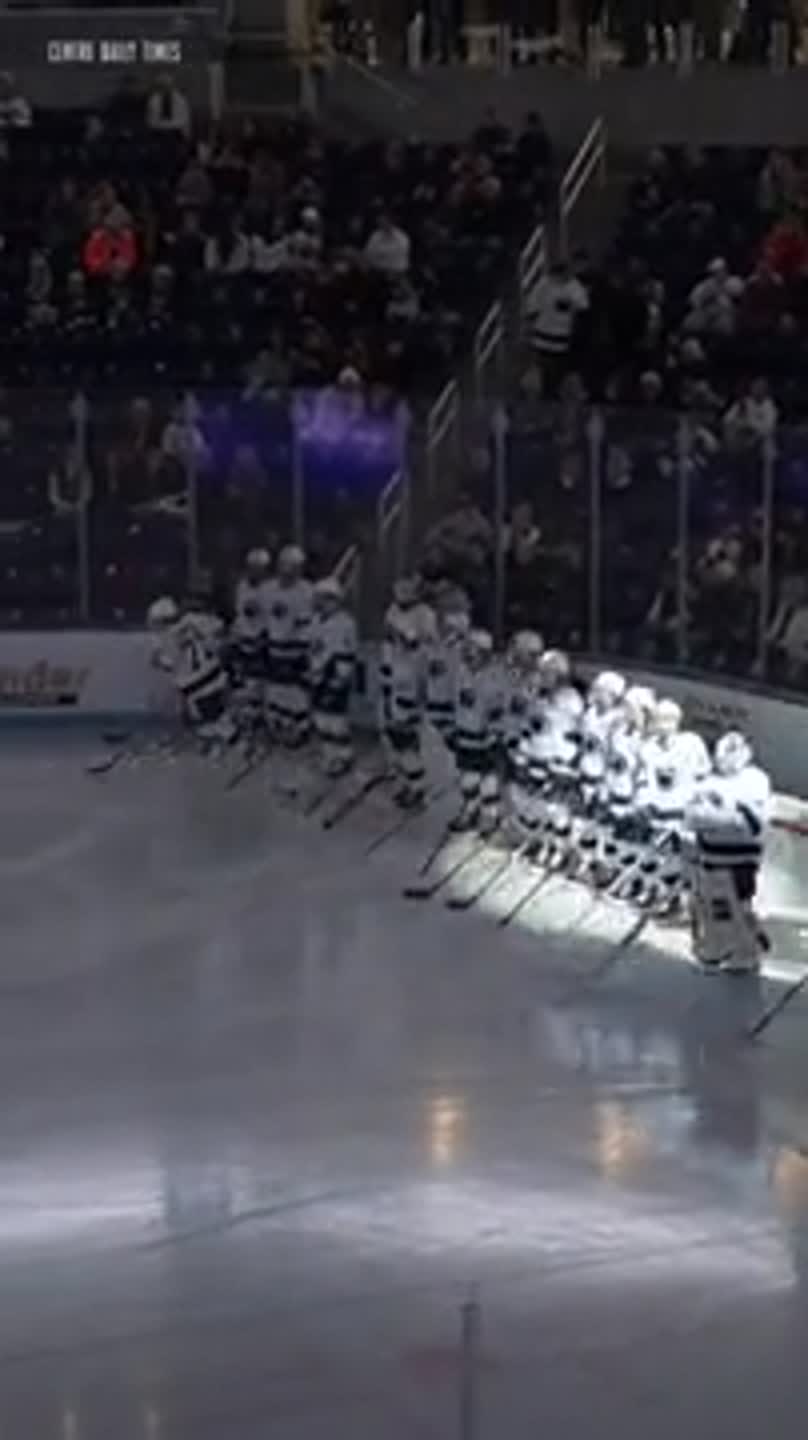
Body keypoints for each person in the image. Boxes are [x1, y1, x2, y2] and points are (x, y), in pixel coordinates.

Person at [687, 731, 771, 974]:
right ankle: (725, 944)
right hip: (711, 857)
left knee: (740, 905)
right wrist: (725, 817)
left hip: (741, 859)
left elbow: (752, 823)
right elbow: (693, 818)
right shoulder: (708, 782)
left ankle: (748, 953)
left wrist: (718, 818)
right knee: (718, 907)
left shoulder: (756, 781)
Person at [632, 698, 710, 914]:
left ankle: (677, 903)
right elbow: (643, 779)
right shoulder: (648, 749)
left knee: (679, 860)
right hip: (659, 814)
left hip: (682, 815)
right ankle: (653, 892)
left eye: (669, 720)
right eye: (660, 720)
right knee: (656, 856)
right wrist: (644, 803)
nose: (664, 725)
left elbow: (703, 774)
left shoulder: (691, 744)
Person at [150, 593, 236, 750]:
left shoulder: (165, 638)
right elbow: (220, 630)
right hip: (213, 674)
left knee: (207, 722)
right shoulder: (194, 619)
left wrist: (158, 661)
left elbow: (167, 663)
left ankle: (224, 740)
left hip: (192, 683)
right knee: (217, 716)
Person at [449, 629, 503, 836]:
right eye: (467, 649)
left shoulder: (494, 677)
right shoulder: (462, 672)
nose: (469, 653)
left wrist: (493, 736)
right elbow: (458, 702)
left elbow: (497, 710)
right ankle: (470, 810)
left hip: (485, 738)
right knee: (467, 778)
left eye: (474, 650)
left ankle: (490, 815)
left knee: (488, 780)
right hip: (465, 734)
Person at [263, 546, 313, 747]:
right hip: (273, 648)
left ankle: (298, 731)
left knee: (296, 693)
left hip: (296, 650)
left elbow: (306, 625)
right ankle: (277, 728)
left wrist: (303, 650)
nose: (287, 570)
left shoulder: (307, 591)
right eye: (284, 564)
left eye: (293, 566)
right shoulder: (268, 589)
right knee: (276, 691)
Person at [308, 576, 358, 777]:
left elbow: (345, 654)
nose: (317, 602)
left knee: (335, 719)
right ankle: (329, 755)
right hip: (317, 674)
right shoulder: (316, 620)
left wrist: (338, 679)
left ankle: (343, 756)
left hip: (334, 675)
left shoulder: (345, 623)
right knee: (320, 717)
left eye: (322, 598)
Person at [234, 547, 272, 626]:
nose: (255, 571)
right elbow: (240, 609)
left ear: (264, 569)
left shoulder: (272, 587)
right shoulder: (242, 586)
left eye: (258, 567)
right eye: (252, 567)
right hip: (245, 628)